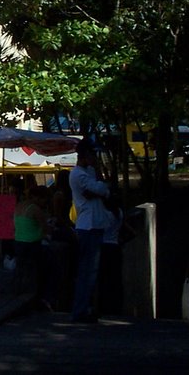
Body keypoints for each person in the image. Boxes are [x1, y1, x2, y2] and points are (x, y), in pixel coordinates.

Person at [69, 136, 110, 322]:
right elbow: (99, 190)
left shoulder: (90, 171)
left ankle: (88, 308)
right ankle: (80, 310)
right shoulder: (78, 174)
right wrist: (101, 189)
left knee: (93, 272)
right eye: (93, 154)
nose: (95, 158)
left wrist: (101, 187)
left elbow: (103, 190)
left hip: (97, 224)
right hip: (87, 225)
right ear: (85, 155)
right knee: (86, 271)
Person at [13, 185, 48, 299]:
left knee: (20, 269)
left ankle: (18, 292)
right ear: (37, 198)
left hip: (18, 241)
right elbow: (45, 227)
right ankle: (34, 294)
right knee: (35, 271)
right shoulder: (35, 209)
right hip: (32, 243)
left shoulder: (19, 206)